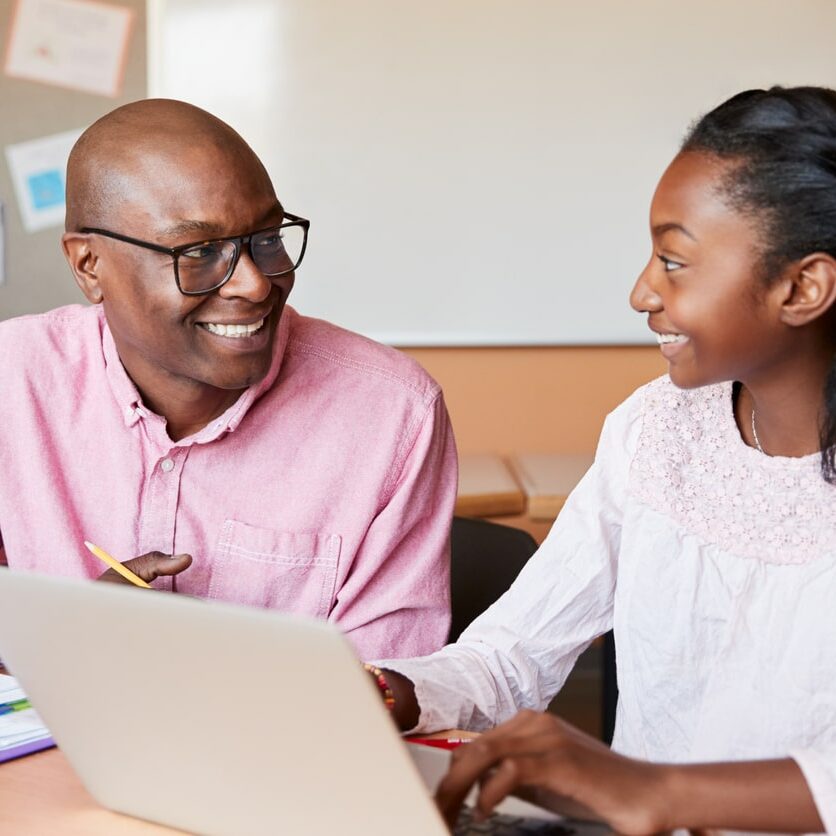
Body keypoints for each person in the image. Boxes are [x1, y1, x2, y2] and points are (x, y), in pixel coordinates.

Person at [373, 86, 836, 833]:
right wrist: (398, 690)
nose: (640, 292)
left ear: (802, 286)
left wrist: (654, 790)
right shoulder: (655, 430)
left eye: (674, 261)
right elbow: (512, 655)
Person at [0, 99, 457, 660]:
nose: (255, 285)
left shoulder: (393, 414)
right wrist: (67, 642)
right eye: (200, 251)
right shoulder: (12, 381)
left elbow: (385, 688)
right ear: (89, 266)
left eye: (267, 238)